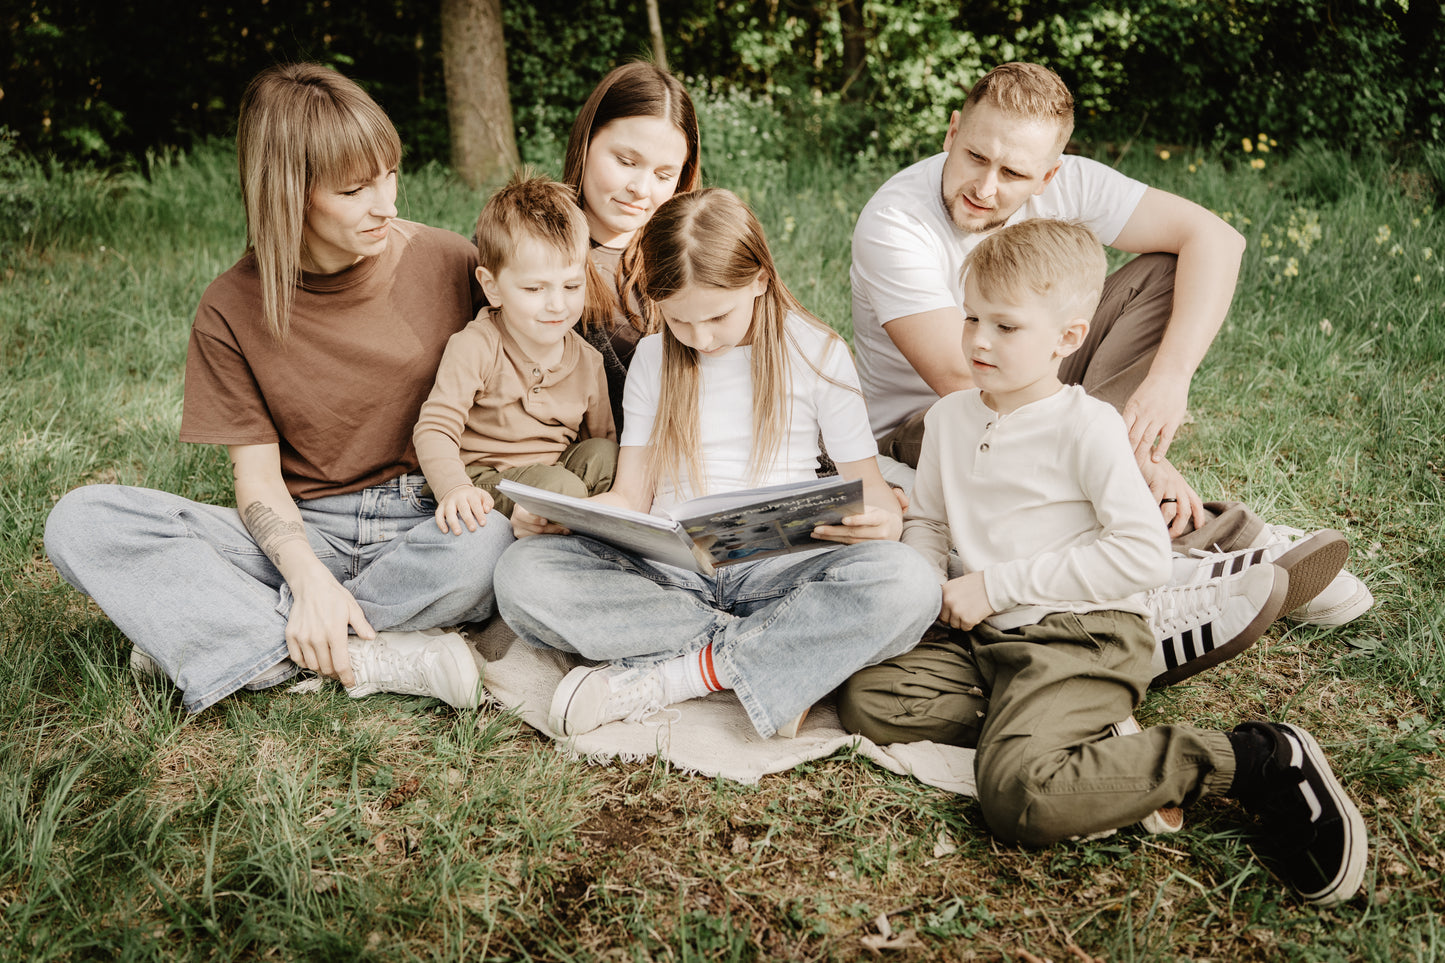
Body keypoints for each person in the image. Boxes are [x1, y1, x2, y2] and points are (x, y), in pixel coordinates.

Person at [839, 220, 1367, 906]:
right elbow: (931, 522)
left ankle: (1256, 759)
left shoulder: (1085, 426)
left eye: (1004, 326)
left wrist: (995, 584)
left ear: (1065, 338)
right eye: (970, 316)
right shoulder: (949, 419)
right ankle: (1084, 740)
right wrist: (917, 591)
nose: (976, 340)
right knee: (868, 698)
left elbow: (1140, 551)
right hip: (989, 640)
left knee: (1018, 795)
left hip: (1079, 632)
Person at [43, 63, 511, 713]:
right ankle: (366, 651)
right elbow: (259, 484)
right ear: (289, 193)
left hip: (425, 518)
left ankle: (228, 636)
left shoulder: (449, 260)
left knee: (492, 544)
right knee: (82, 521)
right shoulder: (230, 309)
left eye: (390, 175)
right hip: (301, 526)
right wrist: (308, 576)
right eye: (355, 191)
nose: (388, 204)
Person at [849, 61, 1371, 627]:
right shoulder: (895, 222)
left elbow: (1216, 240)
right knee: (1028, 418)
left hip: (1039, 380)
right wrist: (1121, 449)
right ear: (953, 132)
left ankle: (1174, 538)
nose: (986, 187)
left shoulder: (1066, 183)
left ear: (1050, 176)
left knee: (1166, 272)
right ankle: (1214, 551)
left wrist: (1168, 383)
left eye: (1014, 173)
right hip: (936, 425)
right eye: (975, 156)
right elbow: (965, 375)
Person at [493, 188, 940, 739]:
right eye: (680, 321)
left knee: (909, 584)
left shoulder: (817, 354)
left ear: (759, 279)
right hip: (672, 572)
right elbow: (631, 495)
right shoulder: (657, 359)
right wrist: (565, 516)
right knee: (523, 575)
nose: (700, 339)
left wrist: (883, 522)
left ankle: (681, 673)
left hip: (782, 567)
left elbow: (872, 497)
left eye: (717, 316)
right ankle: (779, 653)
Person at [414, 171, 617, 523]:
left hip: (555, 471)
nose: (557, 305)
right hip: (485, 480)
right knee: (562, 491)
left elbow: (599, 441)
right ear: (492, 287)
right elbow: (435, 428)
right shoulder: (477, 345)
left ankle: (567, 524)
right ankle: (560, 526)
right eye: (535, 289)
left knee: (606, 456)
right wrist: (454, 488)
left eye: (571, 286)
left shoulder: (587, 360)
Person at [561, 61, 701, 432]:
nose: (641, 188)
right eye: (626, 161)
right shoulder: (525, 240)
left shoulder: (691, 250)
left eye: (663, 175)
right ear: (586, 140)